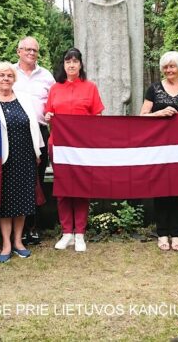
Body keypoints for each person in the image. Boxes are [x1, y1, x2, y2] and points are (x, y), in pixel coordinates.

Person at [0, 62, 43, 263]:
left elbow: (33, 126)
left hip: (25, 156)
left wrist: (37, 151)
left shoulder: (24, 99)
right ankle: (6, 244)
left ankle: (18, 242)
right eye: (1, 75)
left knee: (24, 200)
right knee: (6, 204)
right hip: (3, 159)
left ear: (14, 79)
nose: (6, 78)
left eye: (9, 75)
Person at [45, 48, 104, 252]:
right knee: (62, 190)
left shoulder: (90, 87)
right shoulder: (55, 88)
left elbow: (97, 117)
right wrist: (49, 117)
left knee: (81, 189)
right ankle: (66, 233)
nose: (71, 65)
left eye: (75, 61)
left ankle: (80, 234)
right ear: (63, 64)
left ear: (80, 65)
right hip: (59, 146)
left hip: (82, 148)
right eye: (67, 61)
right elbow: (48, 113)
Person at [139, 51, 178, 252]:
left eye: (172, 66)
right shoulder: (153, 89)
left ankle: (177, 234)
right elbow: (142, 116)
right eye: (165, 67)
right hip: (159, 148)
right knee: (161, 190)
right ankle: (162, 233)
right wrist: (159, 113)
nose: (169, 70)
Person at [12, 36, 55, 245]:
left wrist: (52, 113)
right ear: (18, 51)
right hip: (14, 132)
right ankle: (16, 229)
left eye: (34, 50)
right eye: (27, 49)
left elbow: (53, 103)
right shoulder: (10, 73)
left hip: (39, 130)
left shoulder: (46, 75)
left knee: (36, 180)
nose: (31, 53)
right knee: (16, 179)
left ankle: (33, 227)